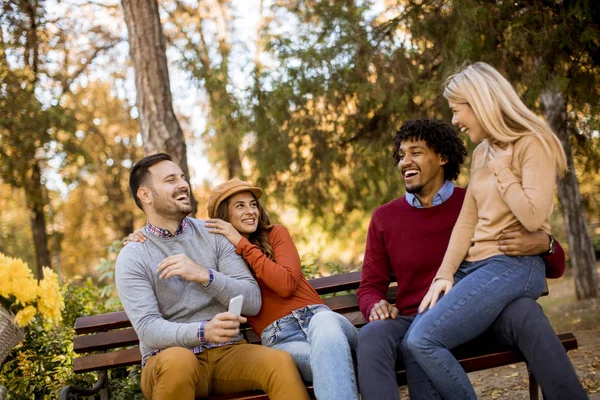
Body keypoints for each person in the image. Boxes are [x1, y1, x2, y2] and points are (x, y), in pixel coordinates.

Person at [356, 119, 586, 400]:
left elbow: (556, 266)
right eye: (401, 155)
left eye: (415, 152)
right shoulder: (384, 218)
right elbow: (369, 286)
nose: (405, 161)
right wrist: (374, 304)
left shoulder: (475, 201)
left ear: (442, 157)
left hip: (480, 316)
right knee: (371, 336)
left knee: (526, 312)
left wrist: (546, 244)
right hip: (414, 320)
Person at [401, 63, 587, 400]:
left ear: (480, 102)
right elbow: (467, 220)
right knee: (413, 342)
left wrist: (503, 169)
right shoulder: (482, 151)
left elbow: (532, 217)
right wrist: (445, 274)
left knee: (422, 339)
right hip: (479, 266)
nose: (455, 120)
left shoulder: (532, 143)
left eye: (458, 110)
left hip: (514, 264)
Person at [128, 178, 359, 400]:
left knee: (324, 327)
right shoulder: (219, 250)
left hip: (318, 319)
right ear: (223, 217)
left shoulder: (274, 234)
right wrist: (143, 237)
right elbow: (179, 239)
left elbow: (285, 284)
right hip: (282, 338)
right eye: (240, 206)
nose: (251, 211)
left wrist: (242, 244)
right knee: (333, 360)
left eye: (253, 205)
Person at [115, 153, 309, 400]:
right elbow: (148, 329)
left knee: (280, 363)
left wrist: (206, 276)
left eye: (183, 177)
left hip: (226, 353)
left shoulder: (214, 233)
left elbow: (252, 300)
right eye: (171, 180)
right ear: (145, 195)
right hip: (168, 359)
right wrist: (203, 331)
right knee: (179, 361)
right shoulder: (134, 255)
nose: (183, 184)